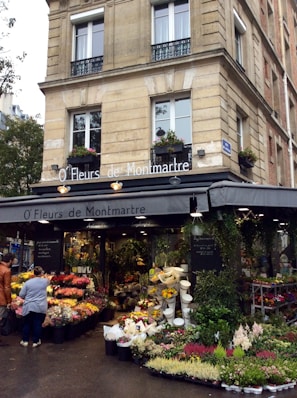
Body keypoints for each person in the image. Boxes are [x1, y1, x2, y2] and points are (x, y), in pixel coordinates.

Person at [19, 266, 50, 348]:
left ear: (33, 273)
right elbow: (48, 280)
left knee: (27, 324)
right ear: (41, 273)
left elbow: (21, 295)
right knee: (37, 324)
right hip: (40, 307)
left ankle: (25, 341)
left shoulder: (28, 283)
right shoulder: (45, 282)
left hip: (29, 306)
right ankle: (35, 342)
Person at [0, 253, 15, 341]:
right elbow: (7, 287)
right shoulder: (6, 270)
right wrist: (9, 301)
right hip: (1, 298)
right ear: (10, 261)